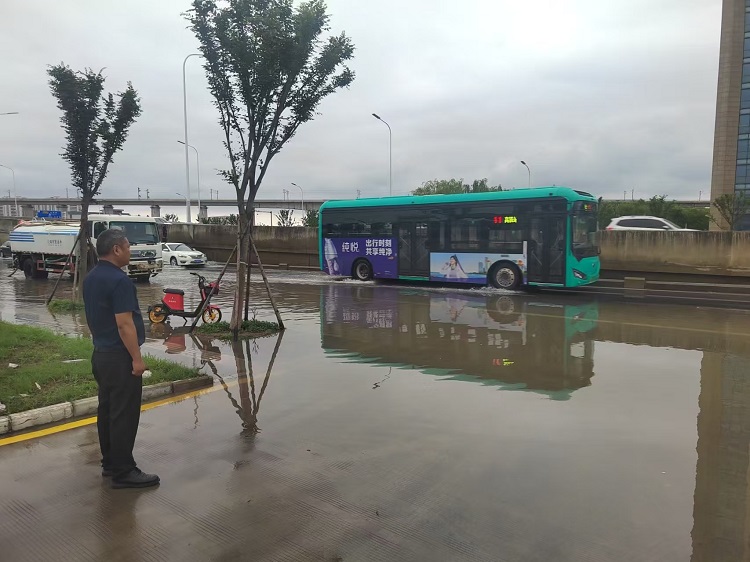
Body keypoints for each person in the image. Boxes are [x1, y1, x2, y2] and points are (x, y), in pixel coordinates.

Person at [83, 228, 160, 489]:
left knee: (107, 411)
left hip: (101, 355)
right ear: (116, 250)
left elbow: (94, 317)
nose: (130, 251)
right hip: (119, 357)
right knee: (124, 414)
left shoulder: (91, 277)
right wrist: (137, 359)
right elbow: (124, 324)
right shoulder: (120, 281)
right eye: (127, 247)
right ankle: (124, 471)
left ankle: (110, 463)